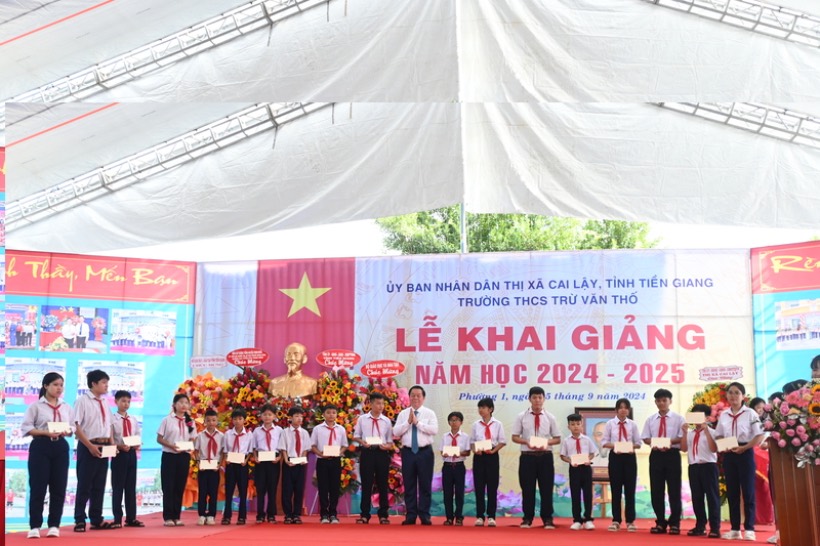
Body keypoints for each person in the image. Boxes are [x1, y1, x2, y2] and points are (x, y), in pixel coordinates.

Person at [21, 372, 74, 538]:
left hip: (60, 446)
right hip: (40, 446)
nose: (59, 388)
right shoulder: (36, 406)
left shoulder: (66, 406)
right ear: (46, 386)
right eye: (55, 385)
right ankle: (35, 526)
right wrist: (45, 432)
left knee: (58, 487)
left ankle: (54, 525)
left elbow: (73, 427)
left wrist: (67, 431)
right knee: (38, 486)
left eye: (61, 385)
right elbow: (27, 428)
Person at [715, 381, 765, 541]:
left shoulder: (751, 413)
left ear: (743, 396)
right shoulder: (723, 415)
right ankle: (735, 528)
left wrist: (745, 448)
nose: (733, 395)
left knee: (748, 491)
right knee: (732, 491)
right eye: (730, 392)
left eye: (737, 392)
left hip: (746, 452)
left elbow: (759, 435)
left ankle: (750, 528)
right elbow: (719, 435)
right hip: (729, 454)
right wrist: (726, 445)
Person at [511, 385, 561, 529]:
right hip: (527, 456)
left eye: (540, 397)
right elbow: (514, 437)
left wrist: (546, 442)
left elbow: (557, 438)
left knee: (546, 488)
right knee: (527, 488)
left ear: (544, 399)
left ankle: (547, 519)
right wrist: (526, 441)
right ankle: (527, 518)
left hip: (545, 456)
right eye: (534, 397)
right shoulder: (521, 416)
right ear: (529, 399)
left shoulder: (550, 417)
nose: (537, 400)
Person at [73, 369, 114, 532]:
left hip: (104, 446)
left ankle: (96, 519)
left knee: (100, 484)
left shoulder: (105, 402)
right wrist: (90, 446)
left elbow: (109, 425)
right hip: (88, 445)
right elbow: (75, 425)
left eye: (107, 383)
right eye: (103, 382)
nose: (106, 386)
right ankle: (80, 520)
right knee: (85, 484)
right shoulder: (82, 401)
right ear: (93, 384)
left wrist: (111, 444)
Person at [394, 385, 439, 525]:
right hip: (408, 452)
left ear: (423, 398)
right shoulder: (403, 414)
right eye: (413, 395)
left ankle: (425, 515)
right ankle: (411, 515)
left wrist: (417, 423)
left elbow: (434, 430)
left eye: (418, 395)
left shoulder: (429, 413)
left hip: (425, 452)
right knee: (409, 484)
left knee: (425, 484)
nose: (415, 398)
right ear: (409, 397)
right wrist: (408, 423)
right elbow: (396, 432)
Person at [641, 388, 684, 535]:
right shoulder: (650, 419)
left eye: (664, 400)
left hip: (672, 454)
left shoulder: (679, 419)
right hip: (656, 455)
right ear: (655, 402)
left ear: (670, 401)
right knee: (657, 490)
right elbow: (645, 438)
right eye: (658, 401)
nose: (661, 403)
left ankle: (675, 523)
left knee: (674, 490)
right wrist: (657, 443)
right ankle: (660, 522)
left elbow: (682, 437)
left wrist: (667, 442)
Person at [678, 403, 720, 538]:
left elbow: (714, 449)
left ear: (707, 418)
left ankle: (715, 527)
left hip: (709, 466)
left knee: (712, 497)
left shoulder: (713, 432)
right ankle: (700, 526)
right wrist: (684, 433)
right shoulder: (690, 434)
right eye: (694, 415)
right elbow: (684, 448)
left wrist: (707, 431)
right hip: (694, 467)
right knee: (697, 497)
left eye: (699, 415)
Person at [600, 397, 642, 532]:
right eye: (621, 407)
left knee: (630, 490)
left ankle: (630, 521)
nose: (623, 410)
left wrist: (628, 446)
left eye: (626, 407)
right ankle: (616, 520)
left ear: (628, 410)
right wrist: (617, 445)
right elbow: (604, 442)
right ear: (616, 410)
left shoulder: (633, 425)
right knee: (616, 490)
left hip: (629, 457)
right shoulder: (610, 424)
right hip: (615, 458)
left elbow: (638, 443)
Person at [353, 392, 394, 525]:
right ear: (370, 404)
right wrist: (362, 442)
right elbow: (356, 435)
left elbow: (390, 441)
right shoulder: (362, 419)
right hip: (367, 453)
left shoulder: (386, 421)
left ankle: (383, 515)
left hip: (381, 454)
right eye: (378, 403)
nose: (381, 406)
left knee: (382, 485)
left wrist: (386, 446)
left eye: (382, 403)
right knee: (366, 485)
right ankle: (365, 515)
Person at [156, 393, 196, 527]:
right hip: (169, 456)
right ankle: (168, 517)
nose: (184, 405)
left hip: (184, 456)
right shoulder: (167, 420)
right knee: (169, 486)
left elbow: (192, 438)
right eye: (181, 402)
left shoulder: (190, 421)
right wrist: (172, 446)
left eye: (186, 402)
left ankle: (177, 516)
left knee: (179, 486)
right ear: (174, 405)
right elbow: (159, 438)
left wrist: (188, 446)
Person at [470, 397, 506, 527]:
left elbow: (502, 441)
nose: (481, 410)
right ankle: (480, 516)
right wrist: (475, 451)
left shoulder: (498, 424)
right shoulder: (475, 425)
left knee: (492, 487)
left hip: (492, 455)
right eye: (479, 407)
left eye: (483, 407)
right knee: (479, 487)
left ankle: (491, 516)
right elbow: (472, 442)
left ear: (490, 409)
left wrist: (494, 450)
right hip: (479, 457)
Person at [311, 405, 349, 524]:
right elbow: (313, 446)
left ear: (337, 414)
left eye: (333, 412)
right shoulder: (318, 429)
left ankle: (333, 513)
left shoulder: (341, 429)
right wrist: (320, 454)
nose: (331, 415)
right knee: (323, 487)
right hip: (322, 461)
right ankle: (324, 514)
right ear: (323, 414)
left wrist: (339, 453)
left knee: (334, 488)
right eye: (328, 412)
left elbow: (344, 445)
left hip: (335, 461)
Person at [111, 390, 143, 528]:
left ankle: (131, 518)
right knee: (118, 487)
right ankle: (117, 518)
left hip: (131, 454)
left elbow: (136, 435)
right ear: (116, 402)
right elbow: (110, 438)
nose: (126, 404)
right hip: (119, 454)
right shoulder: (112, 419)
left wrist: (136, 444)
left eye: (128, 401)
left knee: (131, 487)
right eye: (123, 401)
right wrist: (118, 446)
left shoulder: (133, 419)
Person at [559, 413, 597, 531]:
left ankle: (588, 519)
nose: (576, 426)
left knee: (587, 495)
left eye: (578, 424)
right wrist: (570, 461)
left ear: (582, 425)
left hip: (585, 468)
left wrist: (588, 460)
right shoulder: (566, 441)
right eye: (573, 424)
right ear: (568, 426)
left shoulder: (587, 439)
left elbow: (593, 452)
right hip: (574, 469)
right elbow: (562, 455)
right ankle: (577, 520)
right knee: (575, 495)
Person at [278, 406, 311, 524]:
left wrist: (303, 458)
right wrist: (286, 460)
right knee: (287, 489)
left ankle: (297, 514)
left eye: (301, 416)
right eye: (296, 416)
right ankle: (288, 514)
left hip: (300, 462)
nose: (299, 419)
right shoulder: (285, 432)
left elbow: (306, 448)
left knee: (299, 489)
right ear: (290, 418)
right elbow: (283, 448)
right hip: (289, 461)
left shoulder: (305, 432)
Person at [221, 408, 253, 525]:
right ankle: (227, 516)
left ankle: (242, 517)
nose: (237, 421)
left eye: (240, 419)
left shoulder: (249, 434)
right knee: (229, 491)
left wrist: (246, 460)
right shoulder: (228, 434)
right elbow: (225, 450)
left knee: (242, 491)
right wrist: (226, 459)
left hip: (242, 464)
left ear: (244, 420)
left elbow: (250, 450)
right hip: (231, 464)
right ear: (232, 420)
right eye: (235, 419)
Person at [253, 404, 282, 524]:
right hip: (260, 461)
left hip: (273, 461)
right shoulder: (257, 431)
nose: (267, 417)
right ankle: (260, 514)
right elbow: (254, 447)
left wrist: (279, 458)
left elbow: (282, 447)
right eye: (264, 414)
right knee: (261, 489)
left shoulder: (279, 430)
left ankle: (271, 514)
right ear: (261, 416)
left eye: (270, 414)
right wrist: (255, 458)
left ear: (274, 416)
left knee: (272, 489)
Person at [440, 411, 470, 527]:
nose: (454, 422)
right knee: (447, 493)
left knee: (459, 493)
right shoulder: (444, 436)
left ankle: (459, 517)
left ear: (461, 422)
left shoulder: (465, 436)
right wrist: (447, 453)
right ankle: (449, 518)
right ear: (448, 422)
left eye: (457, 420)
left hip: (459, 466)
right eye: (452, 420)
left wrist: (457, 452)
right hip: (447, 467)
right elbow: (442, 452)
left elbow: (467, 452)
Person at [194, 408, 223, 526]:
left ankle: (211, 515)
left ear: (217, 421)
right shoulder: (200, 436)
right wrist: (198, 463)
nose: (211, 423)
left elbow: (222, 453)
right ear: (205, 422)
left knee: (213, 492)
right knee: (202, 492)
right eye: (208, 420)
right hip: (203, 467)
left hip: (215, 468)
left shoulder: (221, 436)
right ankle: (201, 515)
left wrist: (219, 465)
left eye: (213, 420)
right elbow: (196, 451)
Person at [749, 397, 774, 526]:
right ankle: (755, 518)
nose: (760, 410)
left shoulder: (769, 422)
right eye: (757, 407)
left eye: (762, 407)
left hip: (766, 457)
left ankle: (767, 518)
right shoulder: (749, 420)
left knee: (766, 489)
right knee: (753, 488)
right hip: (751, 455)